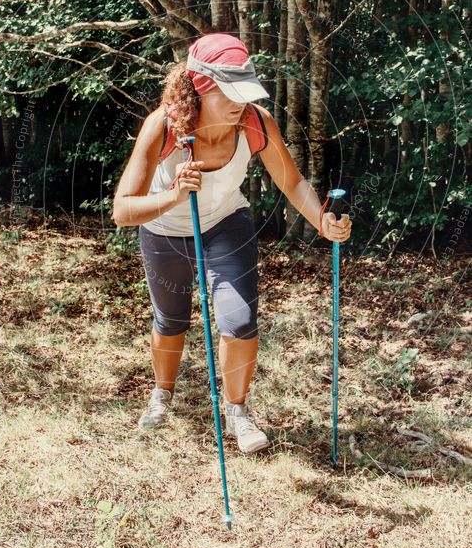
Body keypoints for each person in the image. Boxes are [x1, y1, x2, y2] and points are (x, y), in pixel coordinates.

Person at [112, 33, 351, 454]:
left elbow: (291, 182)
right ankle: (162, 394)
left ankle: (237, 411)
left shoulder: (256, 123)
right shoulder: (164, 126)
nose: (241, 101)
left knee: (239, 321)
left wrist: (321, 221)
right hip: (165, 229)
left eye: (245, 90)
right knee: (172, 320)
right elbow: (123, 210)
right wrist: (172, 195)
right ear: (202, 87)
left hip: (225, 223)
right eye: (230, 92)